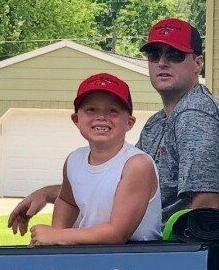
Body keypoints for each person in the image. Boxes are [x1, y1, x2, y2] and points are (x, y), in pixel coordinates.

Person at [9, 18, 219, 238]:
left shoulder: (195, 115)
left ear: (198, 63)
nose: (162, 62)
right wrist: (47, 193)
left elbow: (208, 207)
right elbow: (121, 186)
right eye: (154, 54)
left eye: (175, 54)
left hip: (170, 257)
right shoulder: (157, 122)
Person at [27, 74, 163, 246]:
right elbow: (68, 201)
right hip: (90, 256)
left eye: (112, 110)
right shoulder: (74, 160)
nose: (101, 117)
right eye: (91, 109)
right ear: (76, 119)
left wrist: (58, 236)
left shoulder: (137, 165)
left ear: (129, 122)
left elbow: (117, 233)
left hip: (134, 259)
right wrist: (56, 239)